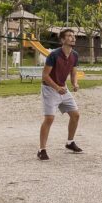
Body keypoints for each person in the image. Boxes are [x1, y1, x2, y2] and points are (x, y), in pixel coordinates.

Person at [38, 28, 82, 160]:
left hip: (63, 88)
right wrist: (57, 88)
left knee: (75, 115)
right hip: (50, 89)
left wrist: (75, 83)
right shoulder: (54, 55)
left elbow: (73, 73)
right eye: (69, 36)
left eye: (73, 36)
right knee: (49, 118)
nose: (73, 38)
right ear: (62, 40)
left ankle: (70, 142)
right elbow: (45, 76)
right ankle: (42, 150)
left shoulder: (75, 55)